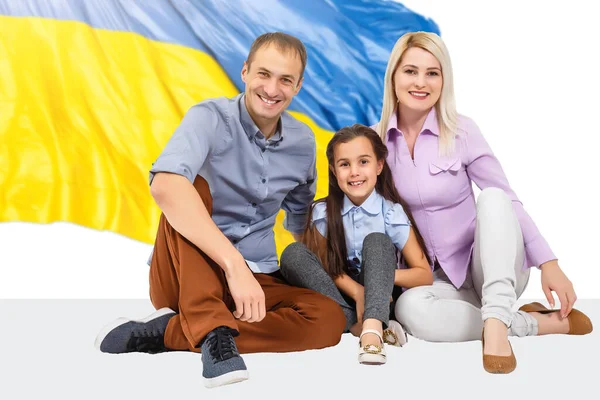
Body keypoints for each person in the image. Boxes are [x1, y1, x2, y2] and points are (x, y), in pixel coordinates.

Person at [94, 32, 346, 388]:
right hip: (184, 276)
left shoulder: (303, 143)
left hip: (257, 279)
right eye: (263, 74)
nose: (272, 88)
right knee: (189, 185)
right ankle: (210, 328)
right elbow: (164, 186)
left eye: (285, 80)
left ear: (298, 86)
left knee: (328, 319)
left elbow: (301, 224)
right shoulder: (208, 118)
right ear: (245, 72)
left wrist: (348, 284)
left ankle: (174, 331)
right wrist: (232, 265)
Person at [374, 31, 592, 373]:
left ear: (444, 79)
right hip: (435, 280)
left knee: (492, 198)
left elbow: (508, 202)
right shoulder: (374, 143)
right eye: (410, 71)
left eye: (432, 72)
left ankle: (495, 328)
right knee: (411, 311)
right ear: (394, 76)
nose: (421, 82)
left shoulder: (462, 130)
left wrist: (549, 263)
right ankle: (528, 323)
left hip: (490, 266)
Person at [280, 124, 433, 365]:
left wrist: (377, 279)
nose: (354, 172)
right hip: (337, 296)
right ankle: (353, 321)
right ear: (333, 169)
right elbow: (324, 266)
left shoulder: (390, 213)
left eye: (363, 162)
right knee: (292, 253)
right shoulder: (322, 212)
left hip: (380, 297)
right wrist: (356, 291)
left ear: (379, 165)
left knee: (377, 241)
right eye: (344, 164)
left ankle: (372, 328)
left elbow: (424, 275)